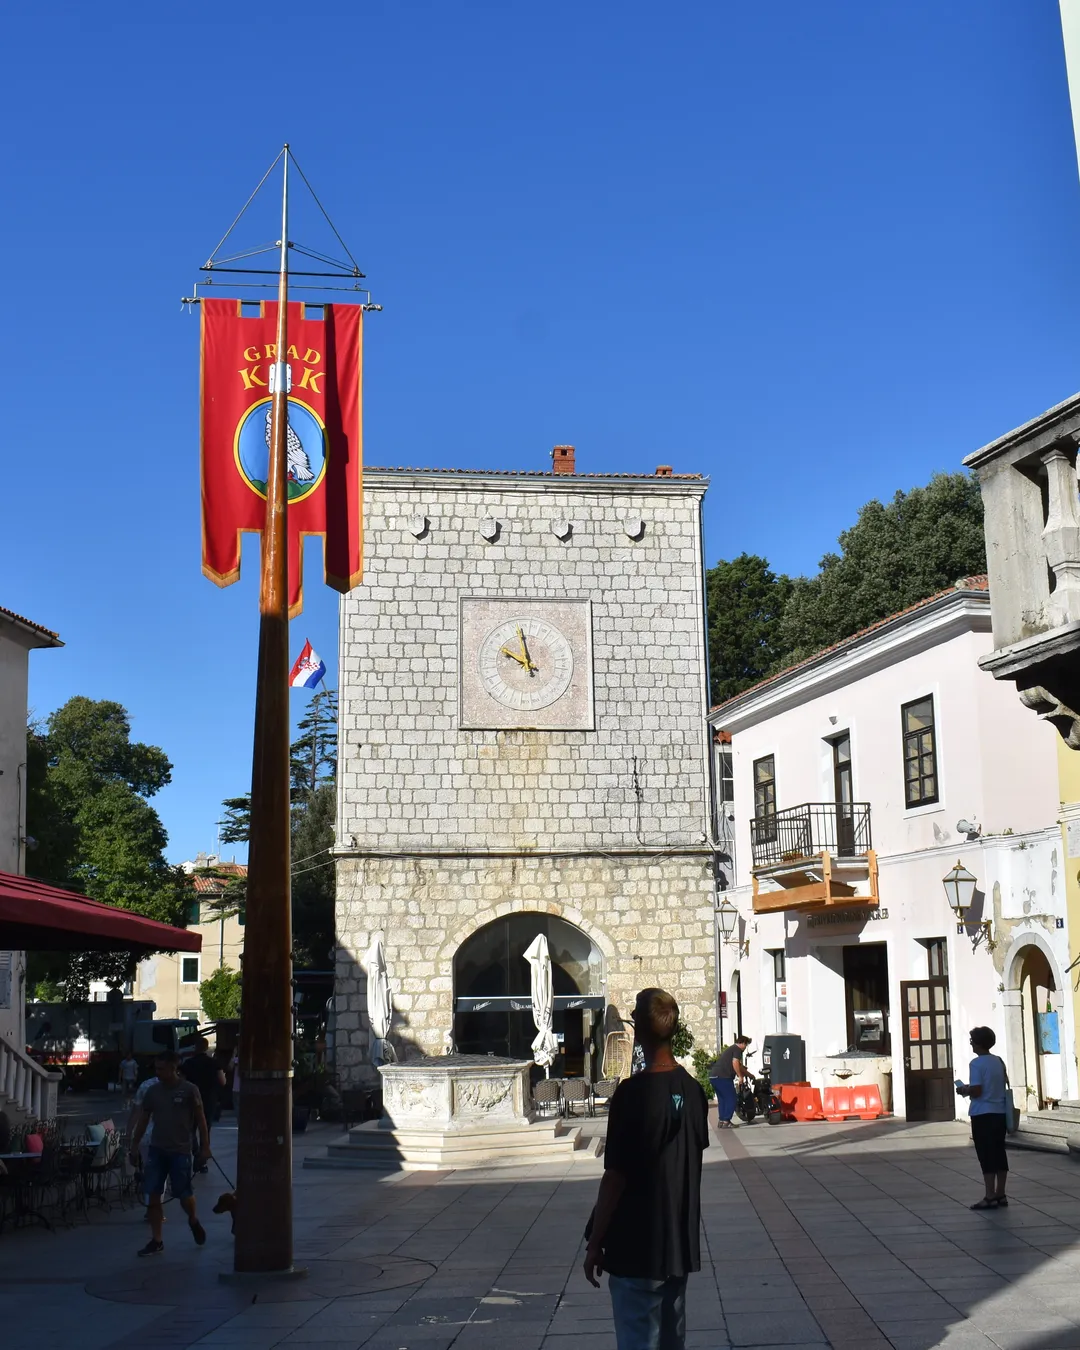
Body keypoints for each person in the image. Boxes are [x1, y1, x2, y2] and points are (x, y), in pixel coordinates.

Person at [583, 988, 709, 1350]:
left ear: (639, 1029)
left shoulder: (631, 1095)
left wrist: (596, 1242)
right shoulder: (694, 1092)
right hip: (677, 1247)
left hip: (636, 1245)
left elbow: (616, 1176)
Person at [129, 1050, 210, 1256]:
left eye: (162, 1068)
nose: (158, 1072)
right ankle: (157, 1240)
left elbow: (201, 1120)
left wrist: (205, 1147)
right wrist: (134, 1144)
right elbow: (143, 1120)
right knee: (153, 1193)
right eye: (156, 1068)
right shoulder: (152, 1091)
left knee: (184, 1195)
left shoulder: (189, 1090)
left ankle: (193, 1219)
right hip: (157, 1149)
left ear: (174, 1067)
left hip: (180, 1151)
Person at [956, 1026, 1009, 1210]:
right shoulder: (998, 1061)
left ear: (979, 1043)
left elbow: (977, 1091)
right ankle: (1001, 1193)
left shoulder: (976, 1064)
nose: (971, 1044)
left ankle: (989, 1195)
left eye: (972, 1041)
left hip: (982, 1113)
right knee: (999, 1152)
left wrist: (964, 1089)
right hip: (1000, 1112)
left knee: (986, 1155)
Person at [181, 1037, 227, 1154]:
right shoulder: (214, 1063)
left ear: (195, 1047)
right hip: (209, 1099)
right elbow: (222, 1081)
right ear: (206, 1047)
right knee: (206, 1126)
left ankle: (194, 1149)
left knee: (191, 1126)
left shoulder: (188, 1063)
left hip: (191, 1098)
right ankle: (203, 1152)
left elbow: (182, 1082)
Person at [709, 1035, 751, 1128]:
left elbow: (739, 1066)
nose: (745, 1047)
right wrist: (740, 1076)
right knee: (732, 1098)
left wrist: (749, 1075)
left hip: (714, 1076)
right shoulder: (737, 1050)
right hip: (723, 1077)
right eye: (746, 1045)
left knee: (722, 1099)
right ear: (743, 1043)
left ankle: (722, 1120)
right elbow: (735, 1063)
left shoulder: (731, 1049)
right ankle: (726, 1120)